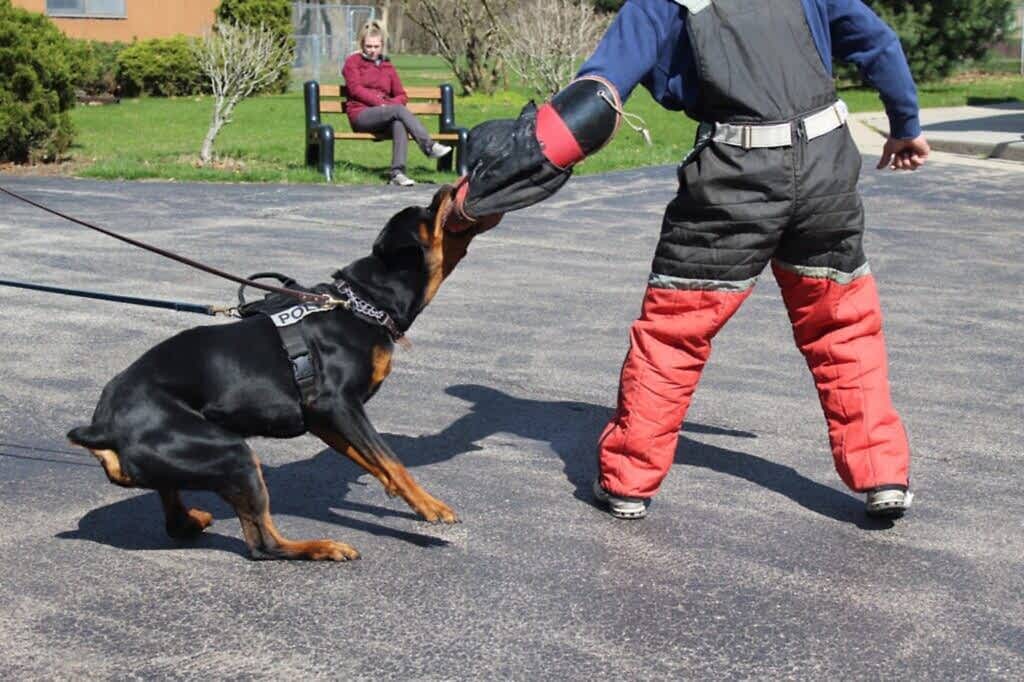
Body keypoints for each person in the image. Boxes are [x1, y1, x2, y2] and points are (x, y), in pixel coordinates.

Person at [448, 0, 930, 520]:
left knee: (674, 335)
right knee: (842, 326)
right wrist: (905, 124)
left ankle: (629, 480)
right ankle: (882, 473)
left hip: (734, 175)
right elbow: (878, 42)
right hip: (825, 168)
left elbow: (597, 97)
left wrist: (477, 196)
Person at [342, 20, 452, 187]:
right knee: (398, 112)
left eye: (376, 46)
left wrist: (390, 105)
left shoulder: (387, 66)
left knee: (399, 122)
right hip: (361, 114)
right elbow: (355, 89)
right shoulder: (353, 62)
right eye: (368, 46)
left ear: (382, 45)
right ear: (362, 44)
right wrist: (382, 104)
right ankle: (428, 146)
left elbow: (401, 95)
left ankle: (397, 173)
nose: (372, 51)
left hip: (386, 114)